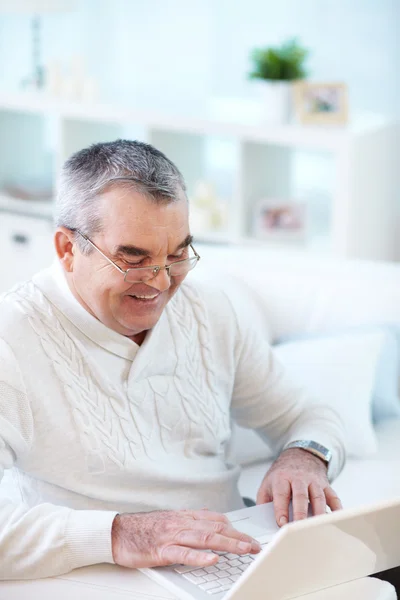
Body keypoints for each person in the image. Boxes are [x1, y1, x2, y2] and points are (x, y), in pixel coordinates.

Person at [0, 140, 345, 580]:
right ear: (68, 249)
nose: (161, 282)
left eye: (178, 253)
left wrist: (304, 456)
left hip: (226, 566)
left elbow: (308, 414)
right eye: (134, 259)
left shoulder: (212, 309)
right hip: (96, 578)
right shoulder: (11, 338)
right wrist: (122, 534)